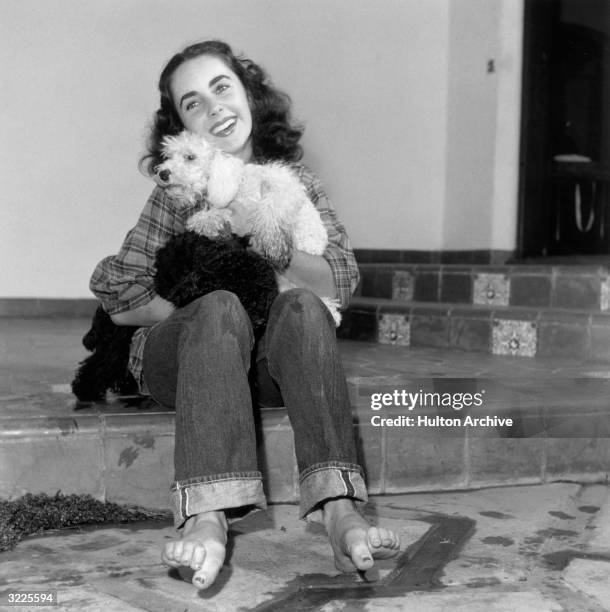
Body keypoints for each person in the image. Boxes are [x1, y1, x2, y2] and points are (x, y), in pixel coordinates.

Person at [90, 39, 400, 591]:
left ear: (248, 93)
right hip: (182, 359)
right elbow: (117, 291)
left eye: (221, 87)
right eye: (192, 103)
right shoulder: (177, 191)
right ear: (181, 127)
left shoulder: (295, 186)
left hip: (266, 369)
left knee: (303, 306)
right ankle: (206, 515)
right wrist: (206, 312)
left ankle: (339, 508)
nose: (214, 109)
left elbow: (342, 281)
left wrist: (257, 225)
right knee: (222, 307)